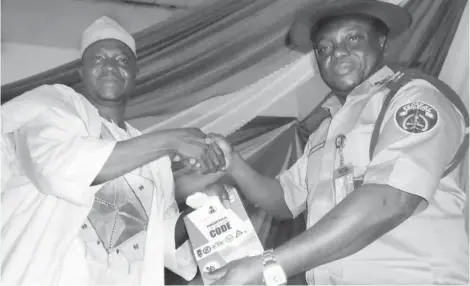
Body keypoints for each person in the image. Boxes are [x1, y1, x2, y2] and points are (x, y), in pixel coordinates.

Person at [178, 0, 469, 284]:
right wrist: (235, 164)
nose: (337, 53)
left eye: (353, 38)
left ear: (381, 41)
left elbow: (391, 199)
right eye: (324, 48)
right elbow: (284, 200)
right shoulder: (327, 128)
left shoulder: (413, 99)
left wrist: (270, 265)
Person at [1, 16, 227, 285]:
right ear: (81, 73)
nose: (110, 66)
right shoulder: (54, 105)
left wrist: (205, 211)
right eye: (98, 59)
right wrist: (170, 140)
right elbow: (64, 170)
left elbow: (157, 240)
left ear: (135, 74)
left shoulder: (153, 161)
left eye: (122, 60)